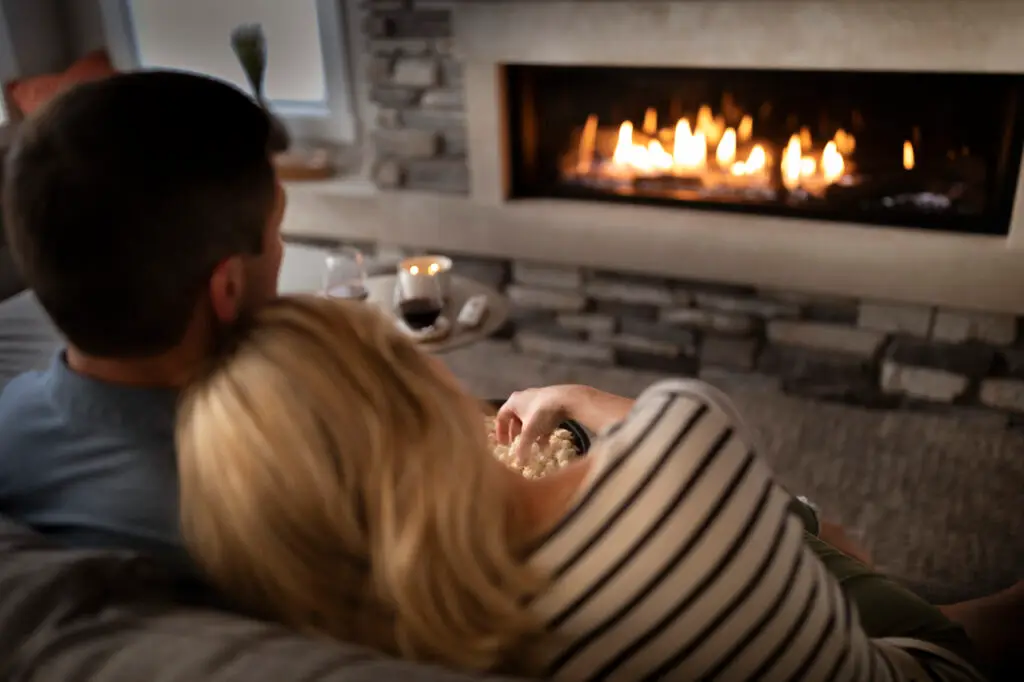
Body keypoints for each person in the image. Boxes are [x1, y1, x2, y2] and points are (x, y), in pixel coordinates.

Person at [176, 295, 984, 681]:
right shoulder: (686, 434)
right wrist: (582, 401)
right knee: (816, 531)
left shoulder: (398, 640)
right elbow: (701, 457)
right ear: (407, 385)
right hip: (927, 672)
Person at [0, 70, 287, 569]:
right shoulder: (270, 507)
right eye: (279, 231)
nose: (281, 250)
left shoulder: (10, 424)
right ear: (228, 288)